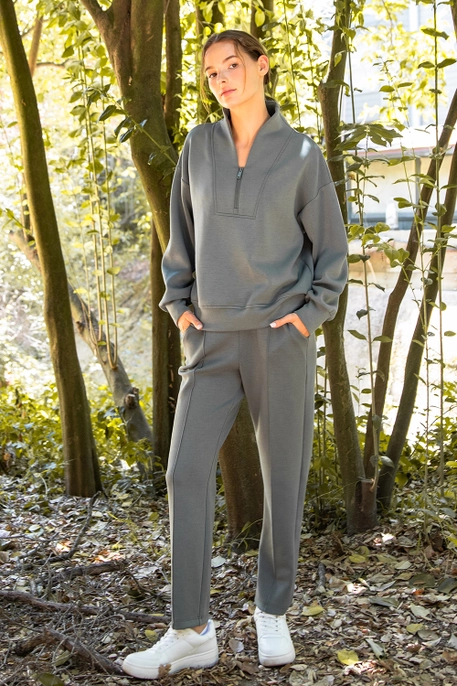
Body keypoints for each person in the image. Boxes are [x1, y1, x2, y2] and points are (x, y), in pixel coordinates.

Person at [122, 29, 348, 680]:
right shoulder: (197, 147)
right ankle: (191, 629)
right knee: (184, 470)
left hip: (279, 337)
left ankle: (272, 610)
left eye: (232, 65)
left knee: (284, 478)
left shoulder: (301, 155)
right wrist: (178, 304)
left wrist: (309, 315)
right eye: (211, 72)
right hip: (212, 336)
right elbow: (180, 234)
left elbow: (331, 250)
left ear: (261, 66)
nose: (222, 79)